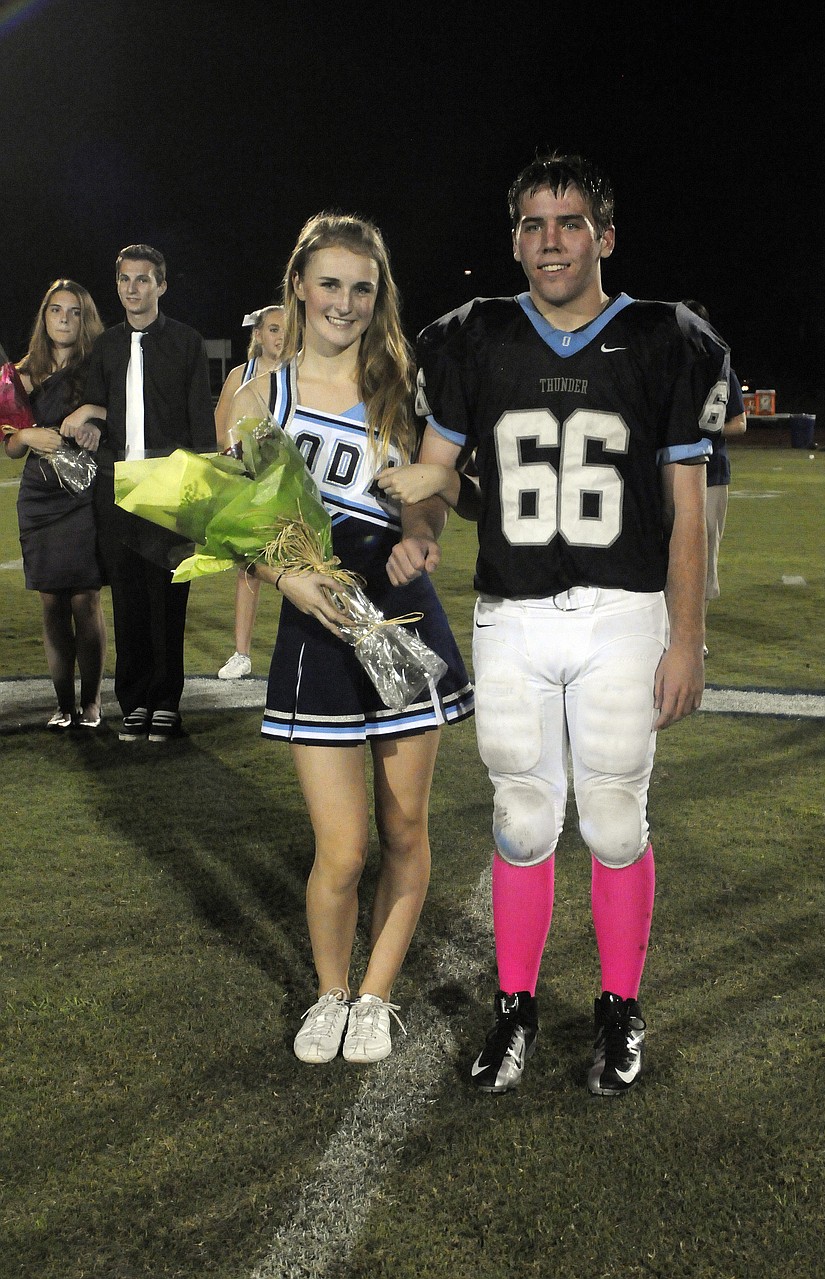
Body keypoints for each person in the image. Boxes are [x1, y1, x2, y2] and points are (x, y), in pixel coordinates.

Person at [381, 152, 730, 1096]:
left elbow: (686, 509)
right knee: (522, 816)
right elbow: (438, 470)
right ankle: (516, 1005)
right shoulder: (474, 336)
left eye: (570, 222)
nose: (551, 241)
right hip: (514, 610)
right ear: (514, 241)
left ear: (604, 236)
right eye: (533, 224)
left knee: (614, 819)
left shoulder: (664, 337)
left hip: (623, 610)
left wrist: (688, 639)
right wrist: (419, 532)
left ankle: (620, 1004)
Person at [232, 212, 475, 1064]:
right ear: (299, 286)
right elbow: (232, 522)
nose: (344, 302)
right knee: (341, 849)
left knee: (404, 829)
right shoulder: (258, 396)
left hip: (400, 620)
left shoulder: (404, 389)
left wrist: (420, 534)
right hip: (317, 628)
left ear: (380, 296)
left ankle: (375, 997)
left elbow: (432, 495)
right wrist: (285, 578)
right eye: (330, 283)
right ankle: (330, 992)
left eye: (362, 288)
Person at [61, 244, 217, 741]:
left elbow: (201, 422)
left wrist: (204, 490)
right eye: (125, 280)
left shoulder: (187, 342)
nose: (132, 288)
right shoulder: (106, 346)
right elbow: (102, 408)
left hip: (171, 486)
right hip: (117, 486)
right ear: (117, 285)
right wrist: (89, 423)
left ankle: (166, 700)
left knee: (169, 601)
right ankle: (134, 701)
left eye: (143, 279)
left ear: (161, 285)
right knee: (127, 600)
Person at [3, 280, 107, 729]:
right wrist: (26, 435)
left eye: (74, 311)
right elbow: (10, 446)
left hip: (84, 495)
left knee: (85, 599)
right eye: (56, 310)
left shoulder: (99, 366)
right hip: (39, 499)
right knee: (51, 602)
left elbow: (121, 414)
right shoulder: (20, 374)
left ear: (85, 319)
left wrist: (94, 422)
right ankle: (63, 705)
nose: (64, 318)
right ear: (44, 317)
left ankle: (92, 703)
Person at [214, 305, 286, 680]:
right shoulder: (240, 375)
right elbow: (222, 430)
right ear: (257, 334)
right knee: (250, 567)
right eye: (273, 329)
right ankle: (241, 654)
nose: (281, 336)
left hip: (293, 483)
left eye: (288, 329)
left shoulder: (303, 374)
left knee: (308, 562)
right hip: (252, 482)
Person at [682, 300, 747, 653]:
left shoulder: (723, 372)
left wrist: (703, 429)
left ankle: (698, 635)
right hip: (672, 470)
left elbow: (740, 424)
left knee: (704, 553)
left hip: (711, 471)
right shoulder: (668, 368)